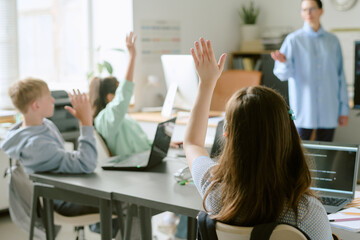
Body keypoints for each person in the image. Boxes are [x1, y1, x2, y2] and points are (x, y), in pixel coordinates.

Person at [183, 38, 332, 239]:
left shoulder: (214, 191)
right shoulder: (307, 213)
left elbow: (192, 143)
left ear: (228, 135)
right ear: (288, 132)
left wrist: (206, 83)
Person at [1, 78, 98, 216]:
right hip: (59, 199)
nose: (53, 100)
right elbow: (86, 164)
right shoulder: (36, 146)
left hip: (66, 188)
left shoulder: (43, 125)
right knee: (127, 206)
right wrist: (86, 122)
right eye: (48, 97)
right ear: (36, 105)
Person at [271, 0, 349, 142]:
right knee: (299, 153)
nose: (307, 13)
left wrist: (344, 110)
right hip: (303, 110)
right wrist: (283, 63)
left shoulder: (333, 41)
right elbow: (282, 75)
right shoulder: (293, 40)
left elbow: (340, 77)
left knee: (327, 154)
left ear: (321, 10)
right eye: (304, 9)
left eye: (312, 8)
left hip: (329, 108)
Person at [89, 32, 152, 159]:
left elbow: (140, 142)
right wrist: (132, 58)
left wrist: (157, 145)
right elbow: (123, 95)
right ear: (109, 97)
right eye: (117, 91)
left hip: (146, 157)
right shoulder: (104, 120)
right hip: (133, 166)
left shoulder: (124, 118)